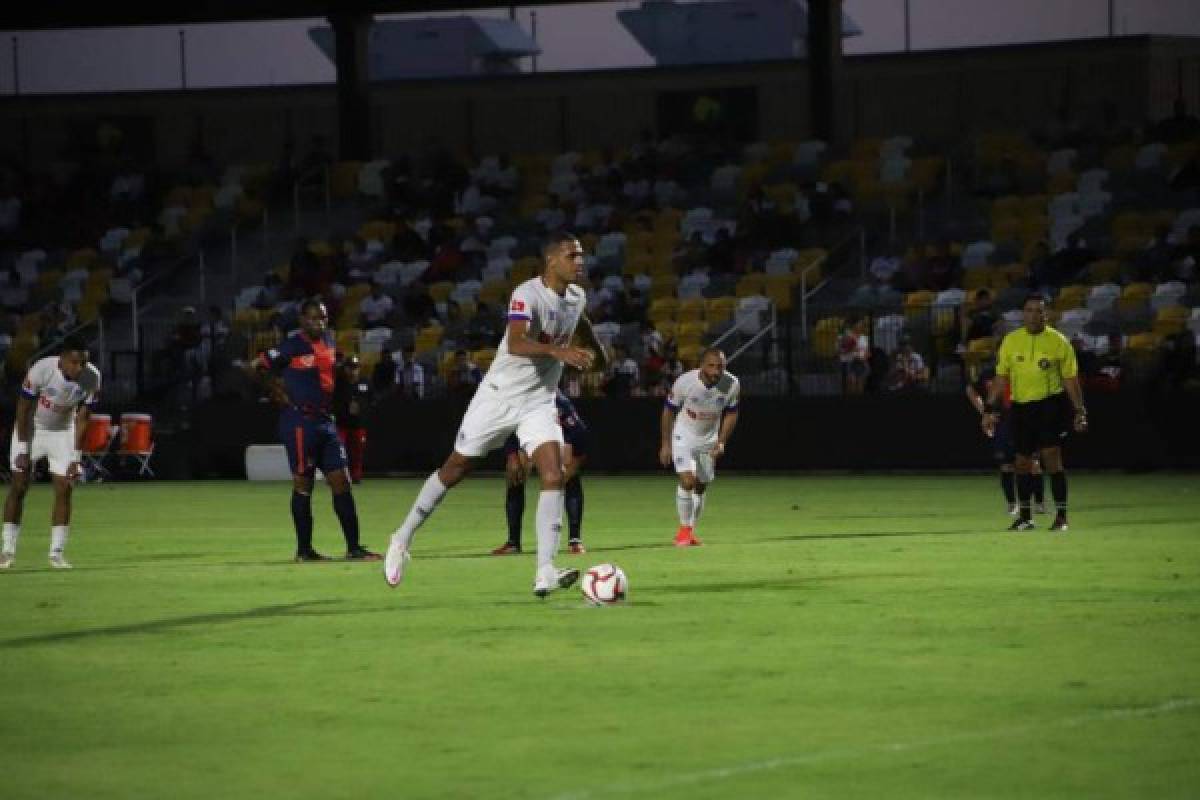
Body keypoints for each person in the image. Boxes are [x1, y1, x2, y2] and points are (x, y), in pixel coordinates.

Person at [383, 232, 606, 597]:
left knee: (554, 473)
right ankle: (402, 537)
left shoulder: (578, 296)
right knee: (455, 469)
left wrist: (596, 348)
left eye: (581, 255)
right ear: (552, 260)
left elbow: (579, 322)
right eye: (572, 255)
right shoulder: (526, 294)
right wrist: (558, 353)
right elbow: (516, 342)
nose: (580, 261)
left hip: (539, 402)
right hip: (498, 398)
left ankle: (545, 570)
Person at [255, 300, 380, 562]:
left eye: (322, 318)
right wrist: (275, 392)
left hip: (326, 422)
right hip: (300, 422)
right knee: (303, 484)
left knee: (342, 482)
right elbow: (262, 365)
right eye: (313, 318)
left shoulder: (329, 343)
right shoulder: (293, 344)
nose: (318, 323)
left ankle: (354, 548)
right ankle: (304, 550)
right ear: (302, 320)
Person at [983, 294, 1087, 532]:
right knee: (1021, 462)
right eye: (1028, 310)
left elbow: (1070, 379)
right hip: (1021, 408)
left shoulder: (1058, 342)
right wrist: (989, 410)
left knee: (1052, 459)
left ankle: (1061, 517)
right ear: (1023, 314)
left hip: (1050, 405)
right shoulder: (1011, 341)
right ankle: (1026, 518)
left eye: (1038, 311)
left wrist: (1080, 410)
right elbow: (1001, 378)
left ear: (1046, 315)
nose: (1033, 315)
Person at [2, 337, 100, 569]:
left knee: (65, 488)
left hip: (62, 433)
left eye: (84, 363)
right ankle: (6, 551)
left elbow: (83, 419)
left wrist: (76, 459)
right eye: (75, 363)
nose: (80, 368)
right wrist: (24, 450)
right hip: (32, 430)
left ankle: (56, 554)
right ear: (62, 360)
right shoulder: (42, 369)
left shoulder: (91, 377)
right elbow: (23, 409)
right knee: (19, 487)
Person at [492, 388, 590, 556]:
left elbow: (580, 433)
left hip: (558, 438)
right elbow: (507, 429)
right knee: (514, 476)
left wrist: (572, 465)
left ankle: (575, 540)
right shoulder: (516, 398)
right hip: (528, 437)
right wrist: (512, 457)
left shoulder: (559, 403)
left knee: (569, 474)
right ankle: (513, 542)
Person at [658, 347, 740, 547]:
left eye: (720, 366)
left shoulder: (729, 384)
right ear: (701, 365)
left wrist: (721, 441)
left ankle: (690, 530)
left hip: (708, 440)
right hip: (684, 435)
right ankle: (683, 531)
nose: (716, 371)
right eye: (711, 366)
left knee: (701, 486)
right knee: (688, 481)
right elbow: (668, 412)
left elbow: (732, 412)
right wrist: (666, 444)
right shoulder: (686, 382)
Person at [966, 359, 1046, 516]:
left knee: (1033, 463)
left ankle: (1039, 503)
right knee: (1006, 465)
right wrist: (985, 412)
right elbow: (971, 389)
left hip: (1024, 422)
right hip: (1003, 424)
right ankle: (1012, 504)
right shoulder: (989, 373)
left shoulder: (1024, 369)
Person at [333, 355, 371, 484]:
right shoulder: (339, 383)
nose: (353, 371)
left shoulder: (365, 382)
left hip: (358, 425)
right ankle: (340, 476)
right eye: (350, 368)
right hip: (342, 424)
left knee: (357, 453)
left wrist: (362, 410)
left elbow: (371, 401)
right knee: (339, 451)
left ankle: (356, 476)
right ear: (345, 369)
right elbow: (333, 402)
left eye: (355, 368)